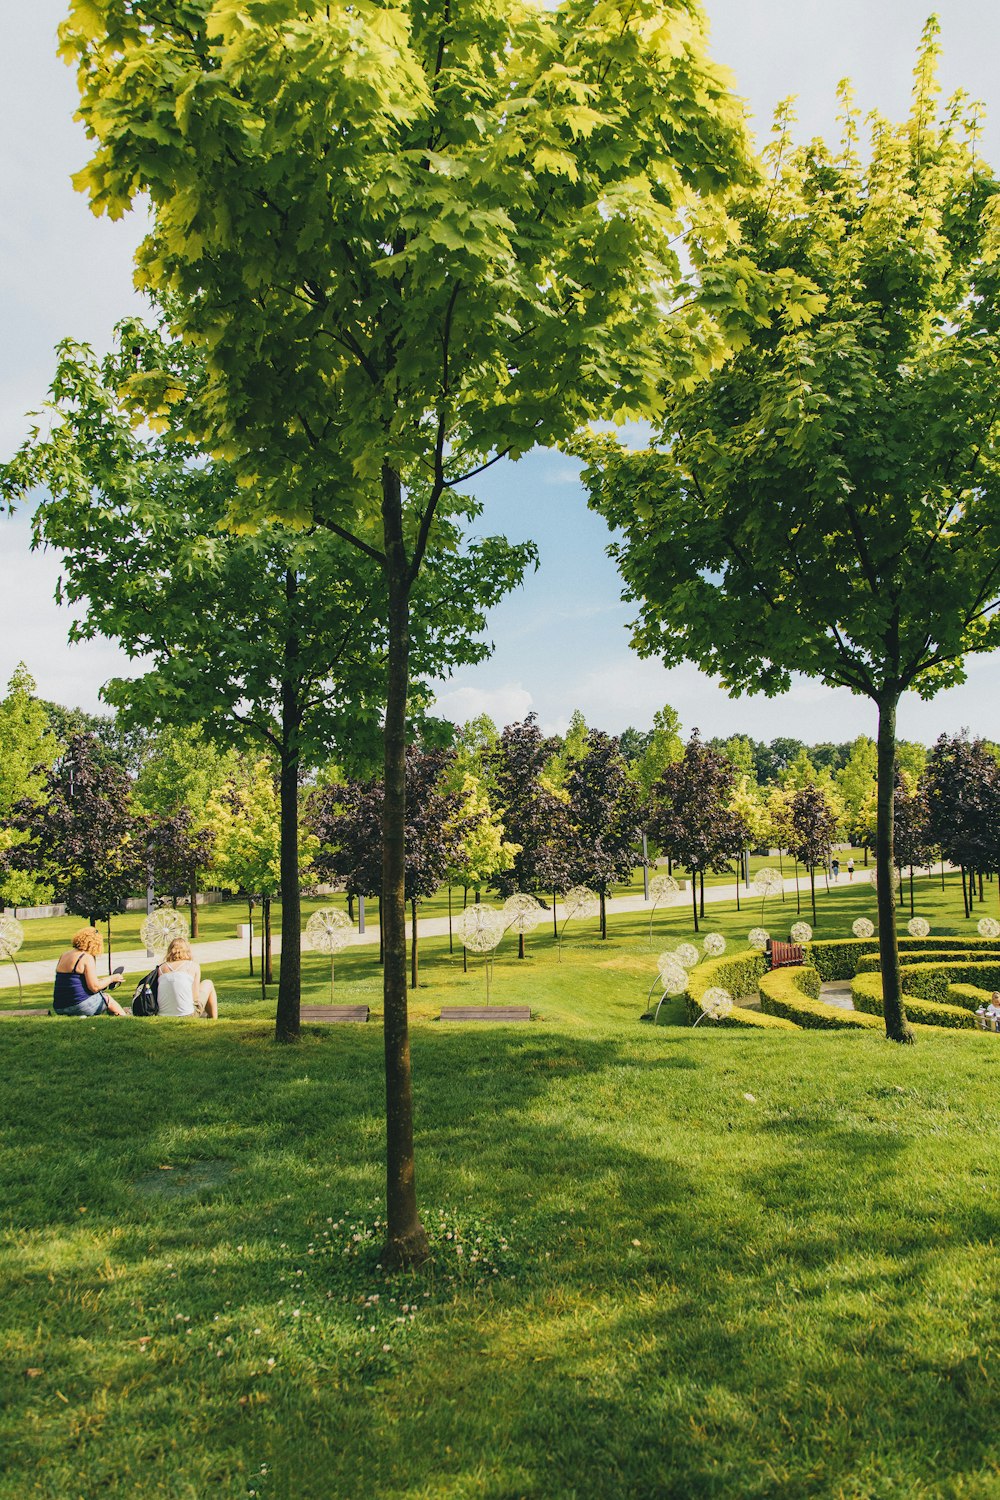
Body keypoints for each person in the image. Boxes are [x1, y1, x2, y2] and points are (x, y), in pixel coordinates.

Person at [53, 927, 127, 1016]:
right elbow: (94, 987)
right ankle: (126, 1019)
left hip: (59, 1006)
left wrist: (104, 980)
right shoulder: (86, 957)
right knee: (108, 999)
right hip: (79, 1005)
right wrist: (112, 978)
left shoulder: (64, 955)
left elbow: (74, 981)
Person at [157, 937, 219, 1019]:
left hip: (163, 1014)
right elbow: (195, 997)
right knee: (208, 983)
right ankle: (213, 1019)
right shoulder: (193, 965)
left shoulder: (161, 968)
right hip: (187, 1014)